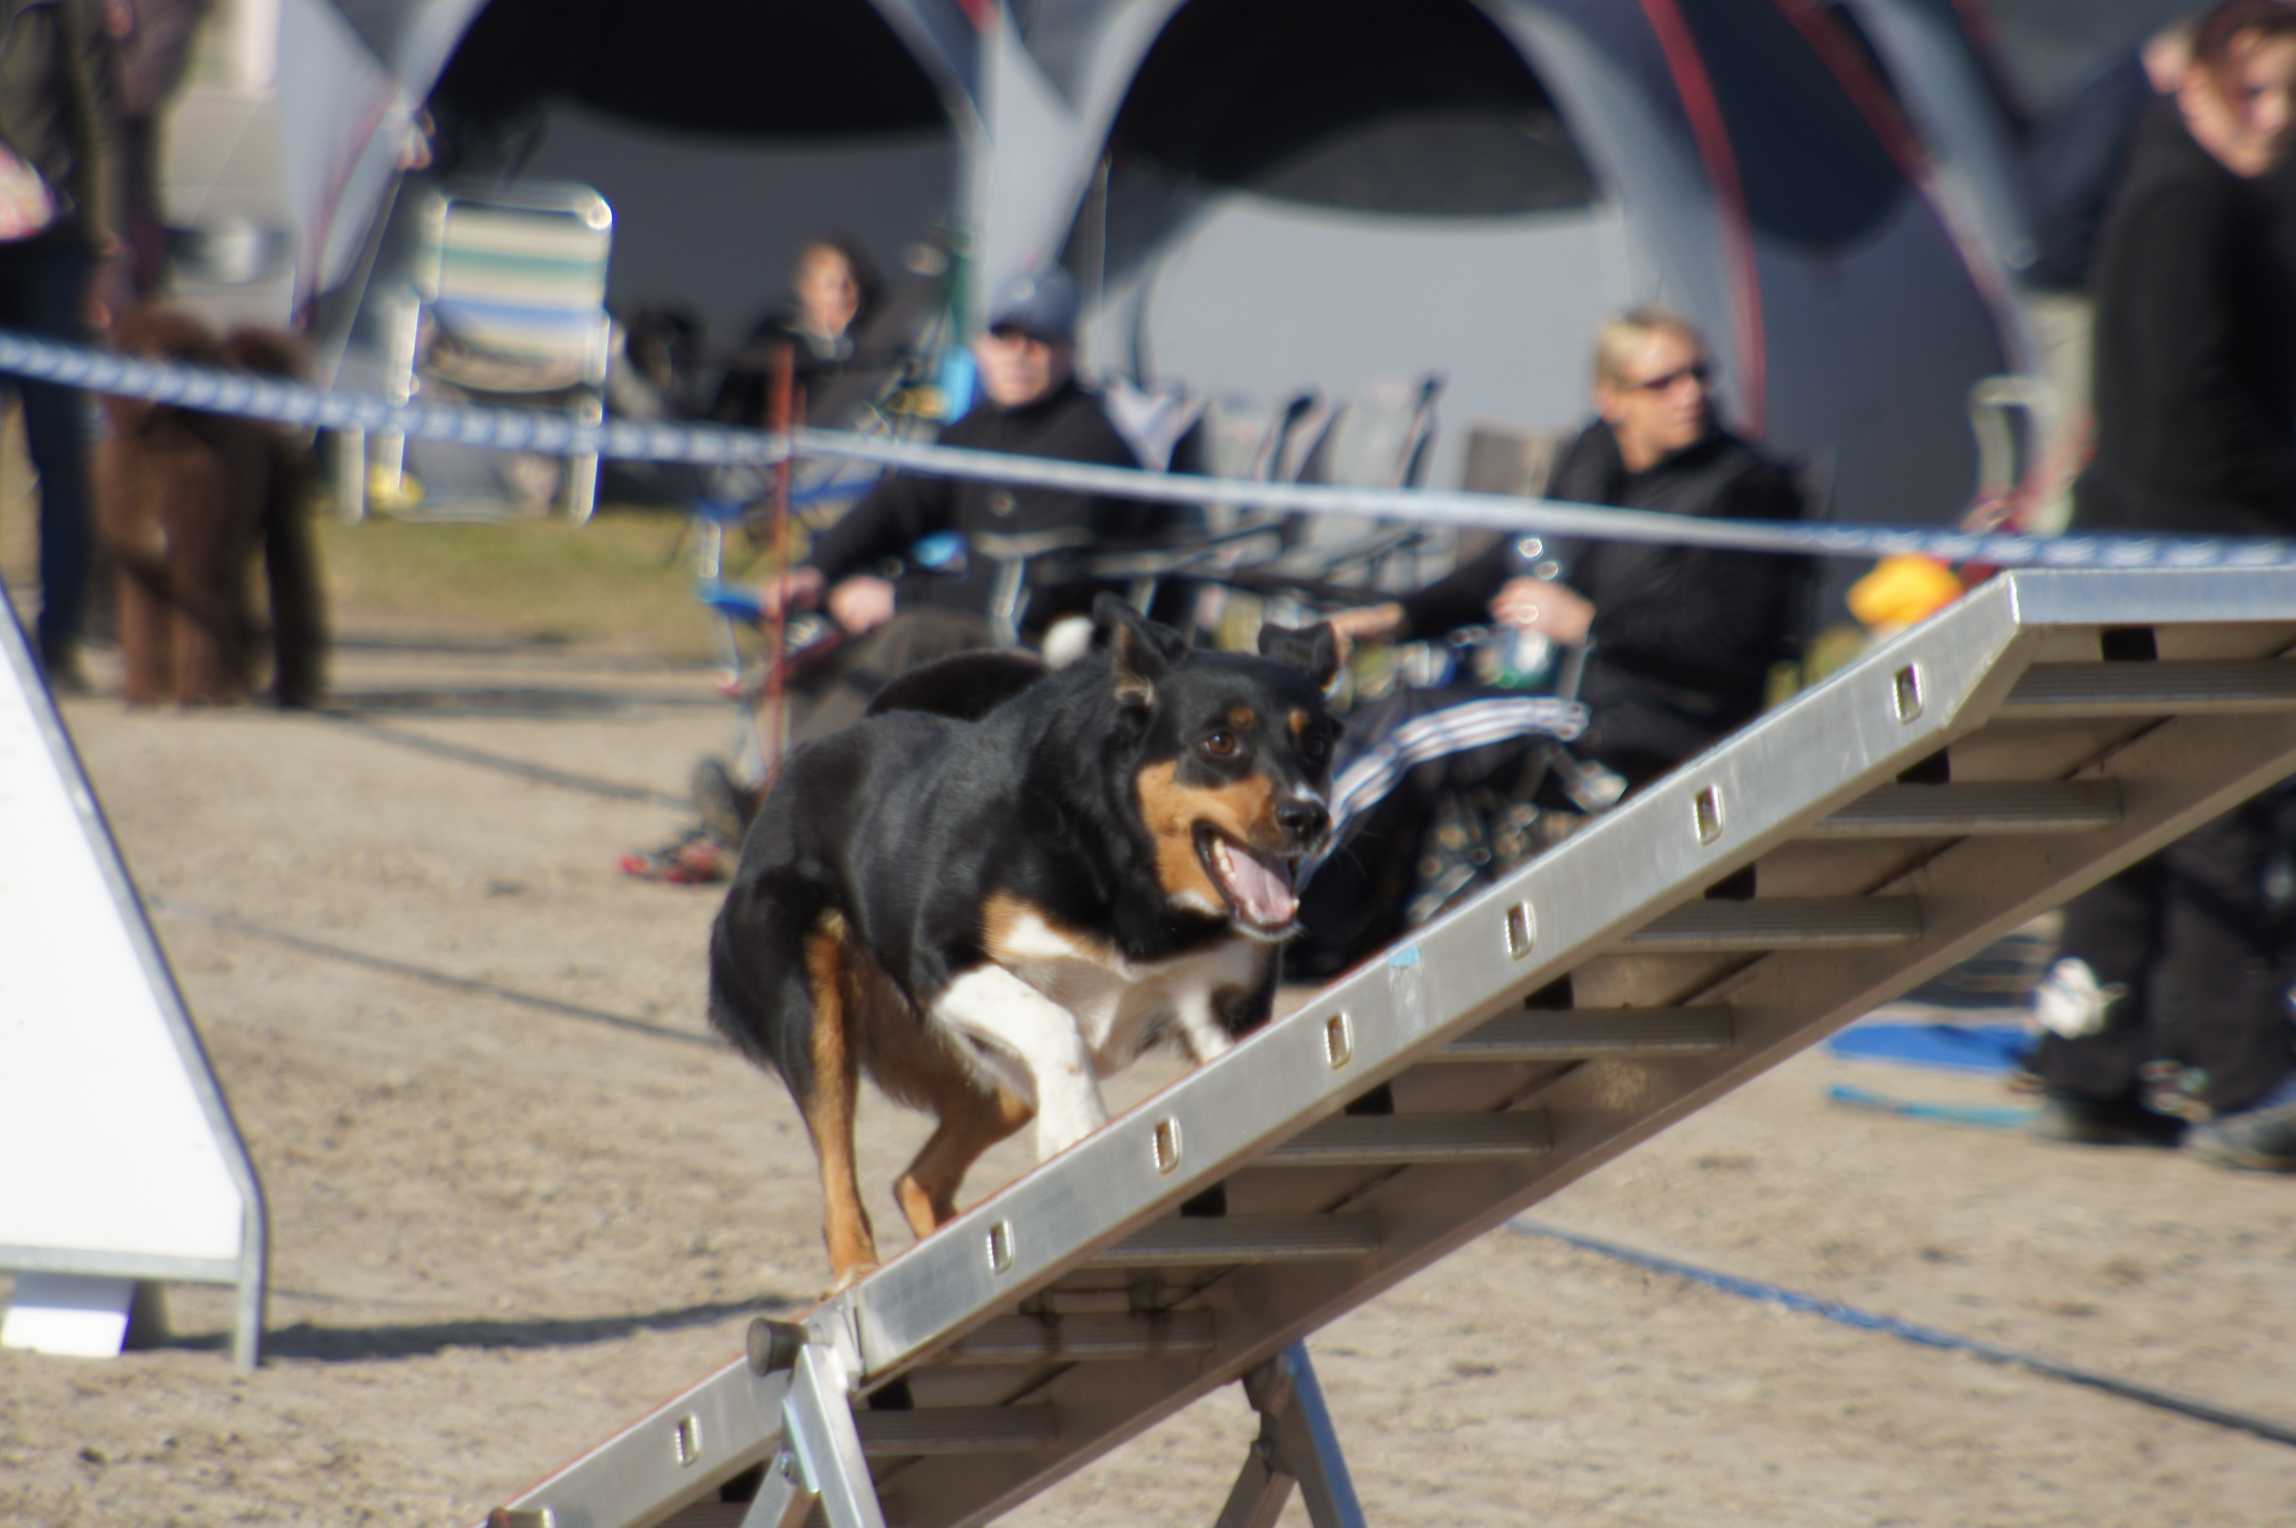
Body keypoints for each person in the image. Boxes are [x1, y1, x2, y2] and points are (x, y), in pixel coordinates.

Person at [1292, 306, 1808, 977]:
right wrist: (1399, 620)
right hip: (1561, 699)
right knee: (1390, 710)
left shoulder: (1747, 489)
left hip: (1654, 717)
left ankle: (1296, 924)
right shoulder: (1592, 453)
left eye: (1701, 375)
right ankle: (1353, 938)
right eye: (1664, 382)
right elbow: (1514, 563)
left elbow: (1733, 644)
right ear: (1612, 399)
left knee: (1415, 728)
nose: (1693, 394)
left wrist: (1590, 624)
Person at [623, 265, 1166, 883]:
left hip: (1054, 640)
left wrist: (897, 594)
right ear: (982, 347)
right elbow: (898, 504)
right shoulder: (979, 427)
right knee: (823, 643)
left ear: (1070, 349)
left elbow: (1045, 583)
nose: (1017, 355)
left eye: (1036, 341)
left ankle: (786, 816)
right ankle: (771, 806)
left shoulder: (1090, 444)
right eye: (1004, 337)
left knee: (908, 635)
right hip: (975, 614)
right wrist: (815, 572)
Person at [2023, 0, 2296, 1168]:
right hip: (2188, 544)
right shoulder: (2184, 197)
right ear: (2216, 72)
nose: (2281, 121)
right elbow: (2184, 412)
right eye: (2268, 94)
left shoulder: (2206, 187)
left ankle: (2086, 1057)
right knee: (2208, 805)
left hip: (2157, 537)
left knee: (2131, 800)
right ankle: (2242, 1080)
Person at [0, 0, 124, 690]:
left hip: (52, 251)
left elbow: (104, 127)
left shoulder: (65, 11)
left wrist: (107, 251)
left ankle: (61, 638)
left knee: (60, 453)